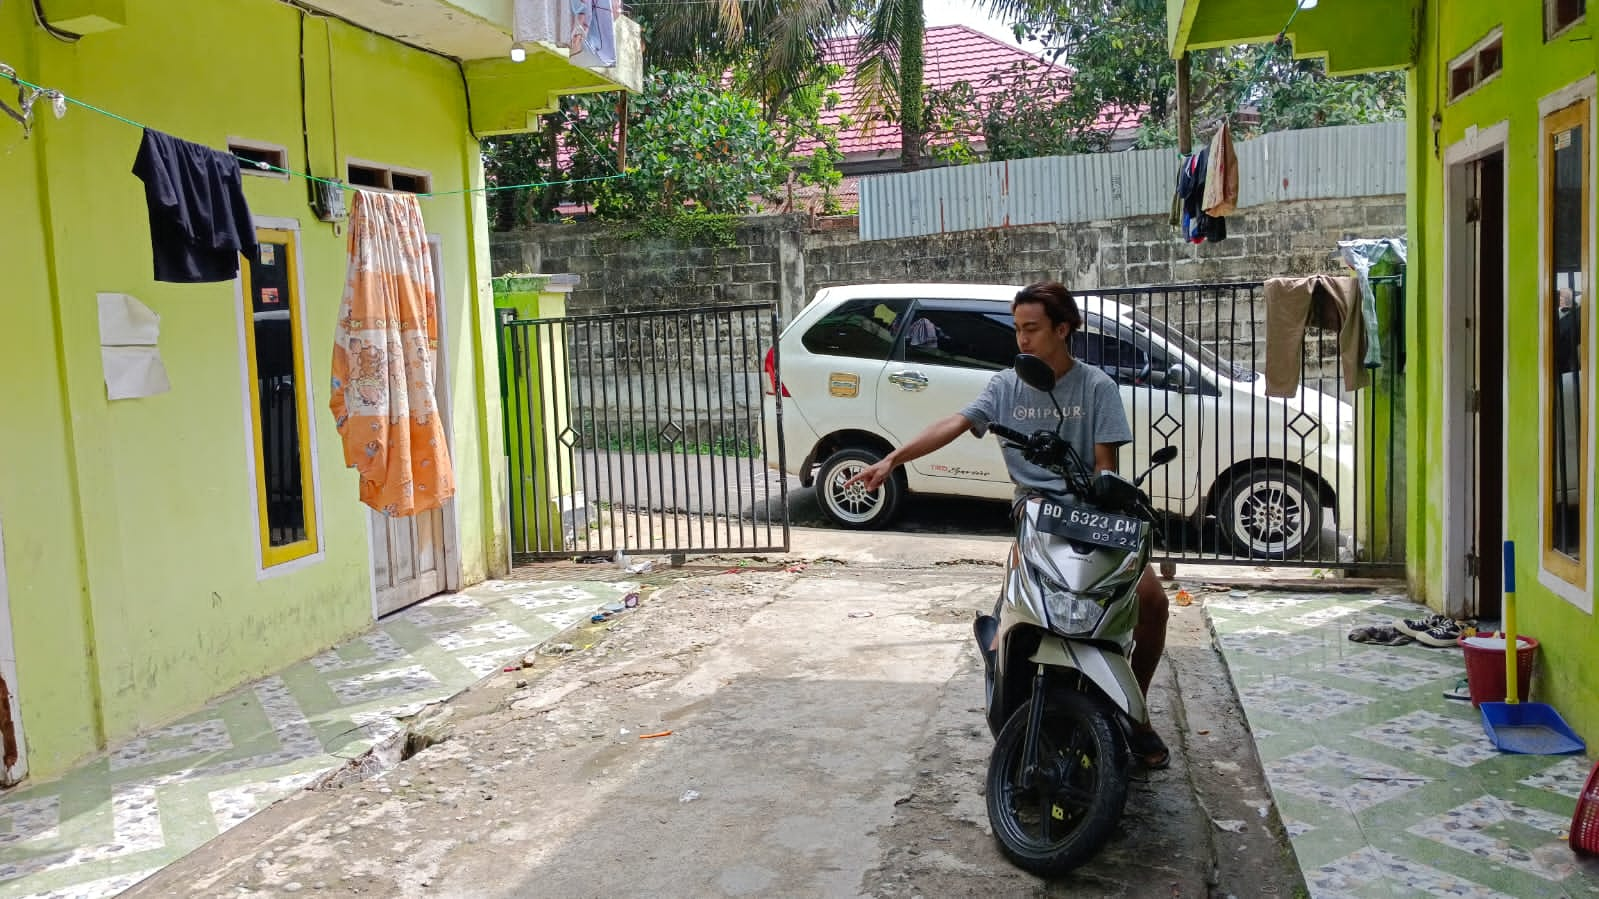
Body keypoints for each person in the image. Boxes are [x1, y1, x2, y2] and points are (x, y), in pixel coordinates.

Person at [845, 280, 1172, 769]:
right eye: (1017, 329)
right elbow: (955, 422)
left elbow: (1106, 464)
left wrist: (1109, 492)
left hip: (1094, 515)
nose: (1022, 340)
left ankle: (1135, 713)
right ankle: (1012, 694)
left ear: (1063, 329)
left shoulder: (1097, 387)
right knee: (1017, 625)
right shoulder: (1004, 385)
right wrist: (892, 460)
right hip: (1037, 514)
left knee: (1153, 603)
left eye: (1032, 329)